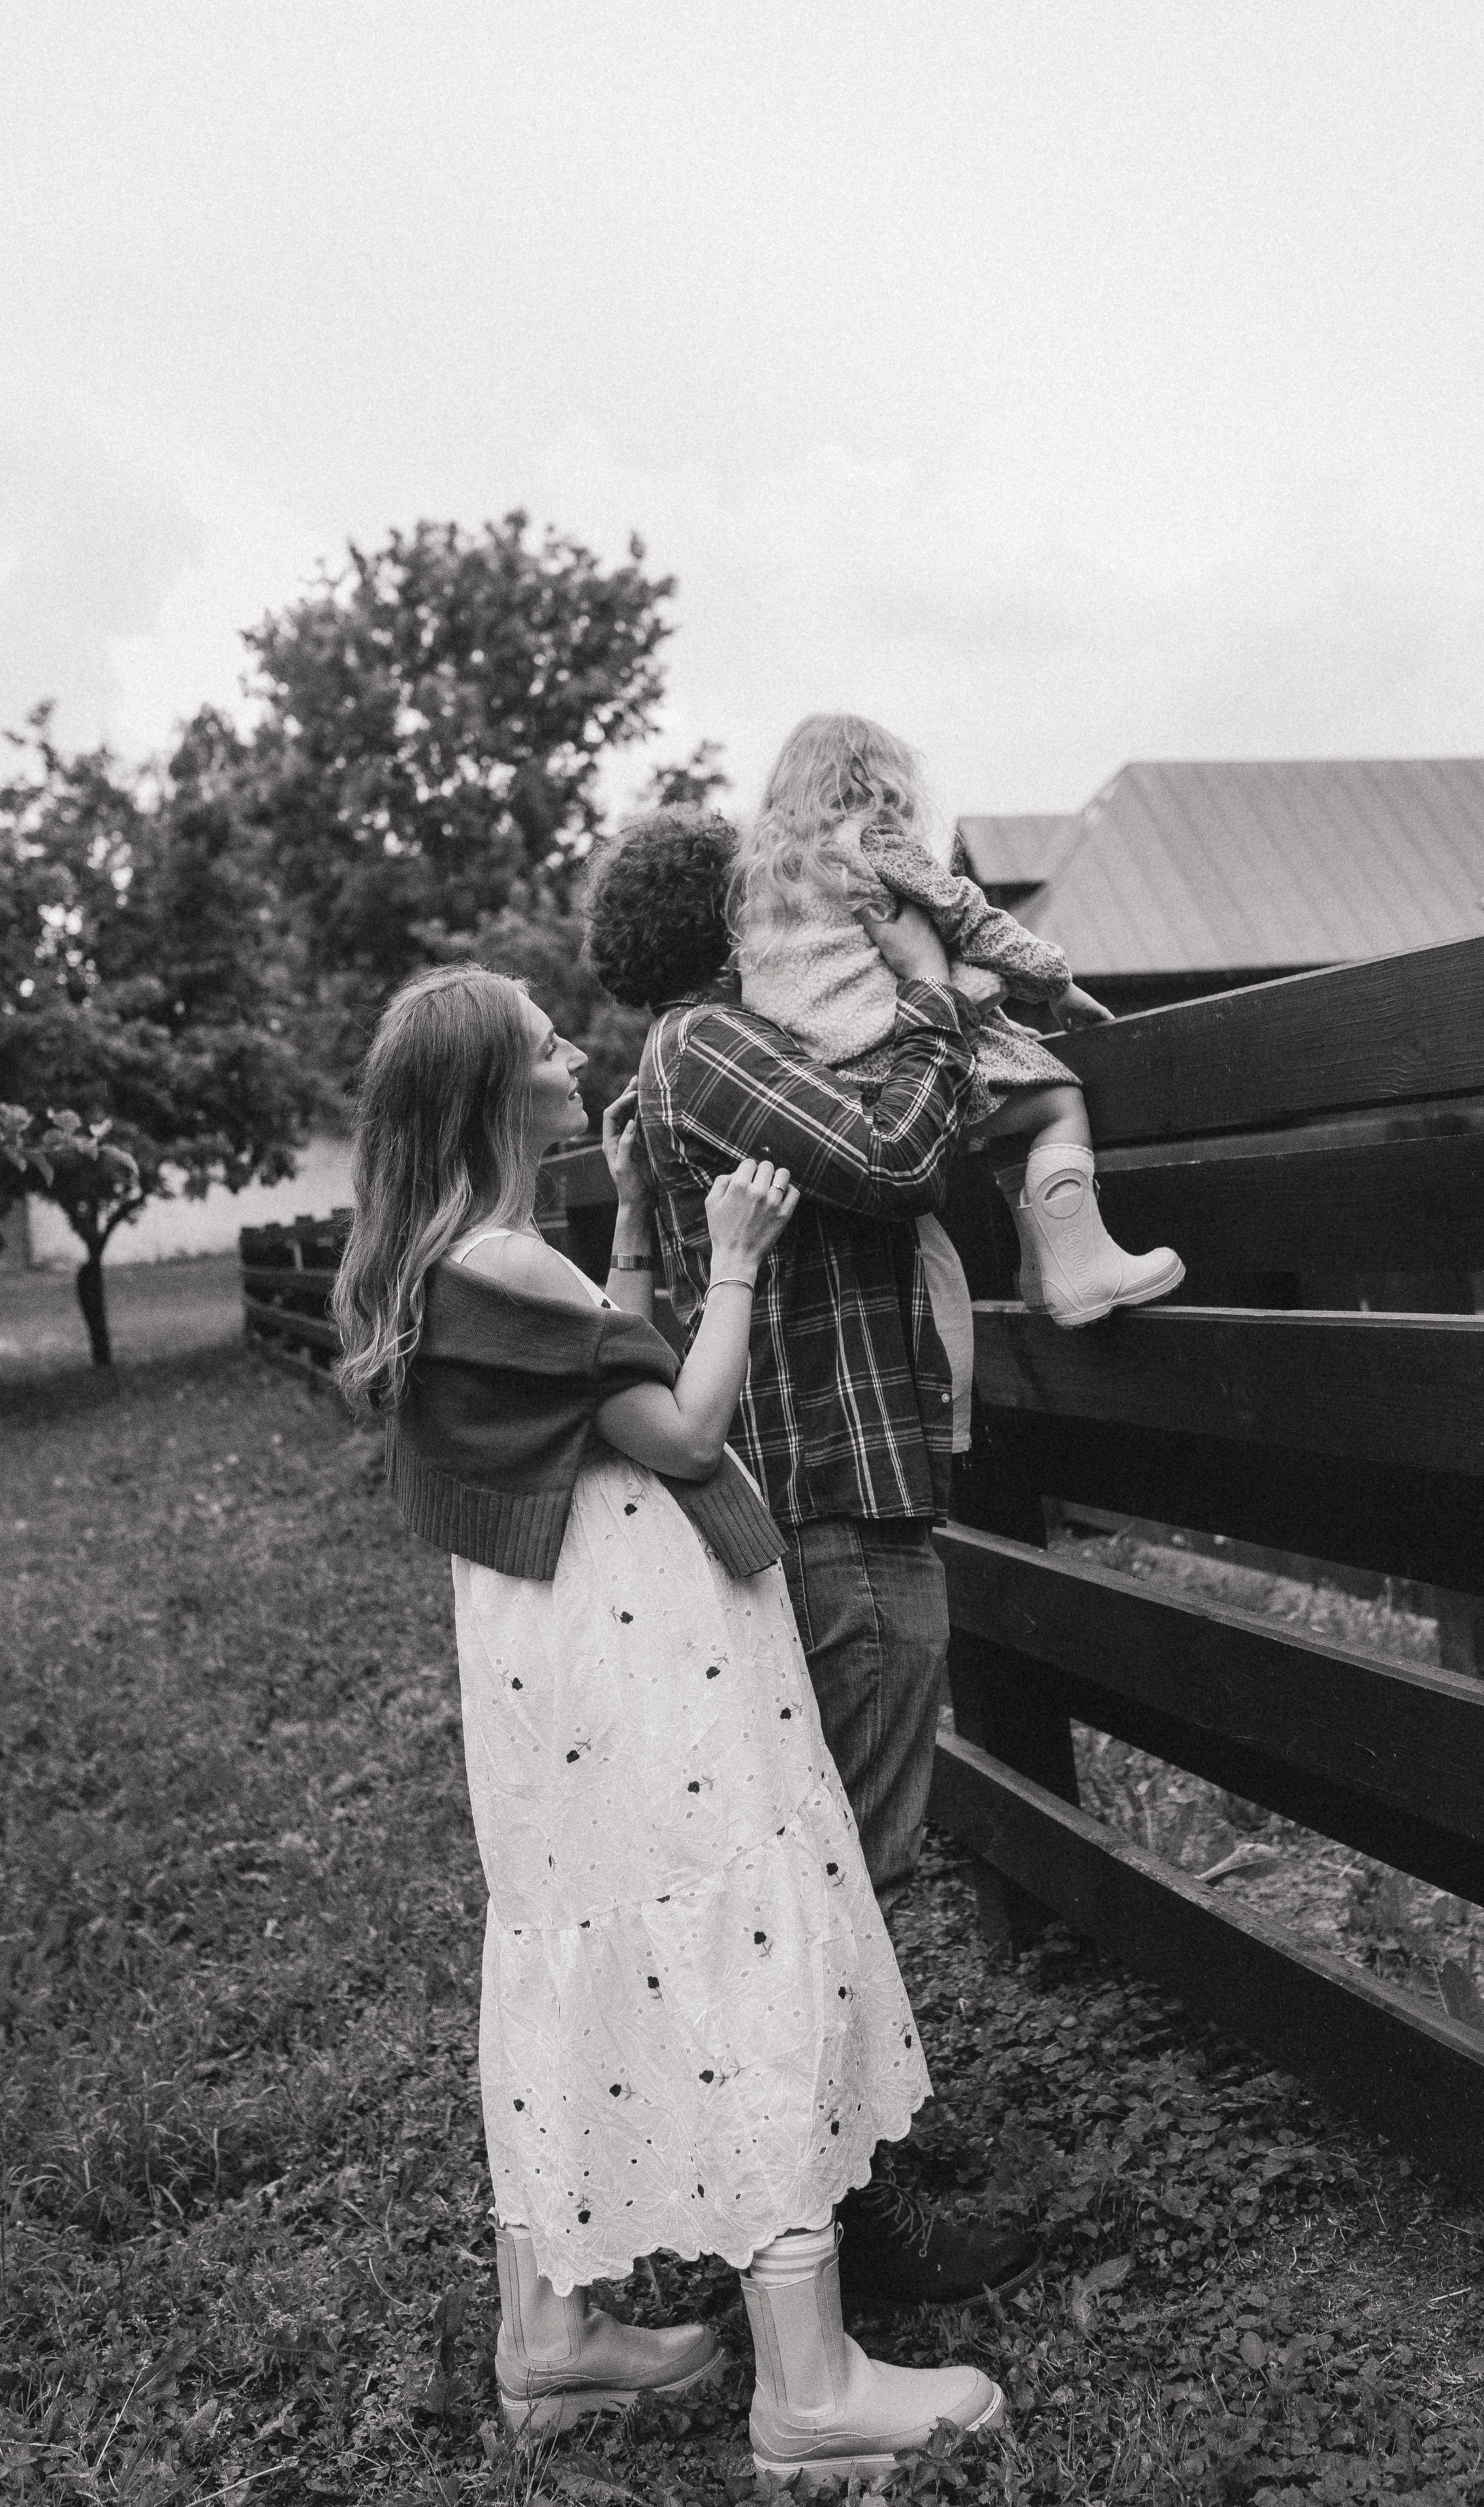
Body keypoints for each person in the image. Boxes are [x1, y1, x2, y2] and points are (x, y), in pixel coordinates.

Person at [330, 966, 1003, 2486]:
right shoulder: (506, 1270)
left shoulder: (463, 1265)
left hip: (544, 1663)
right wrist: (740, 1253)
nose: (573, 1051)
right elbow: (681, 1425)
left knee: (576, 1928)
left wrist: (634, 1228)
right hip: (642, 1658)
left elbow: (596, 1376)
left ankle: (552, 2334)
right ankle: (810, 2387)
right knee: (728, 1931)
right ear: (494, 1089)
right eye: (543, 1039)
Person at [585, 812, 1043, 2309]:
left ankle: (858, 2154)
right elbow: (896, 1154)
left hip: (834, 1495)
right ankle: (855, 2211)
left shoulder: (703, 1051)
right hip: (828, 1506)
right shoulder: (708, 1046)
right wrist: (929, 994)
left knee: (838, 1854)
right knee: (855, 1864)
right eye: (768, 895)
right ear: (728, 921)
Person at [733, 712, 1183, 1325]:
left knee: (1008, 1114)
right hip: (902, 1061)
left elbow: (857, 985)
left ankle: (1041, 1275)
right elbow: (973, 920)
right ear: (878, 781)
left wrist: (995, 1029)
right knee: (1056, 1104)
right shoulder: (871, 843)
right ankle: (1082, 1270)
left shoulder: (768, 882)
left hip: (828, 1093)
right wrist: (1059, 986)